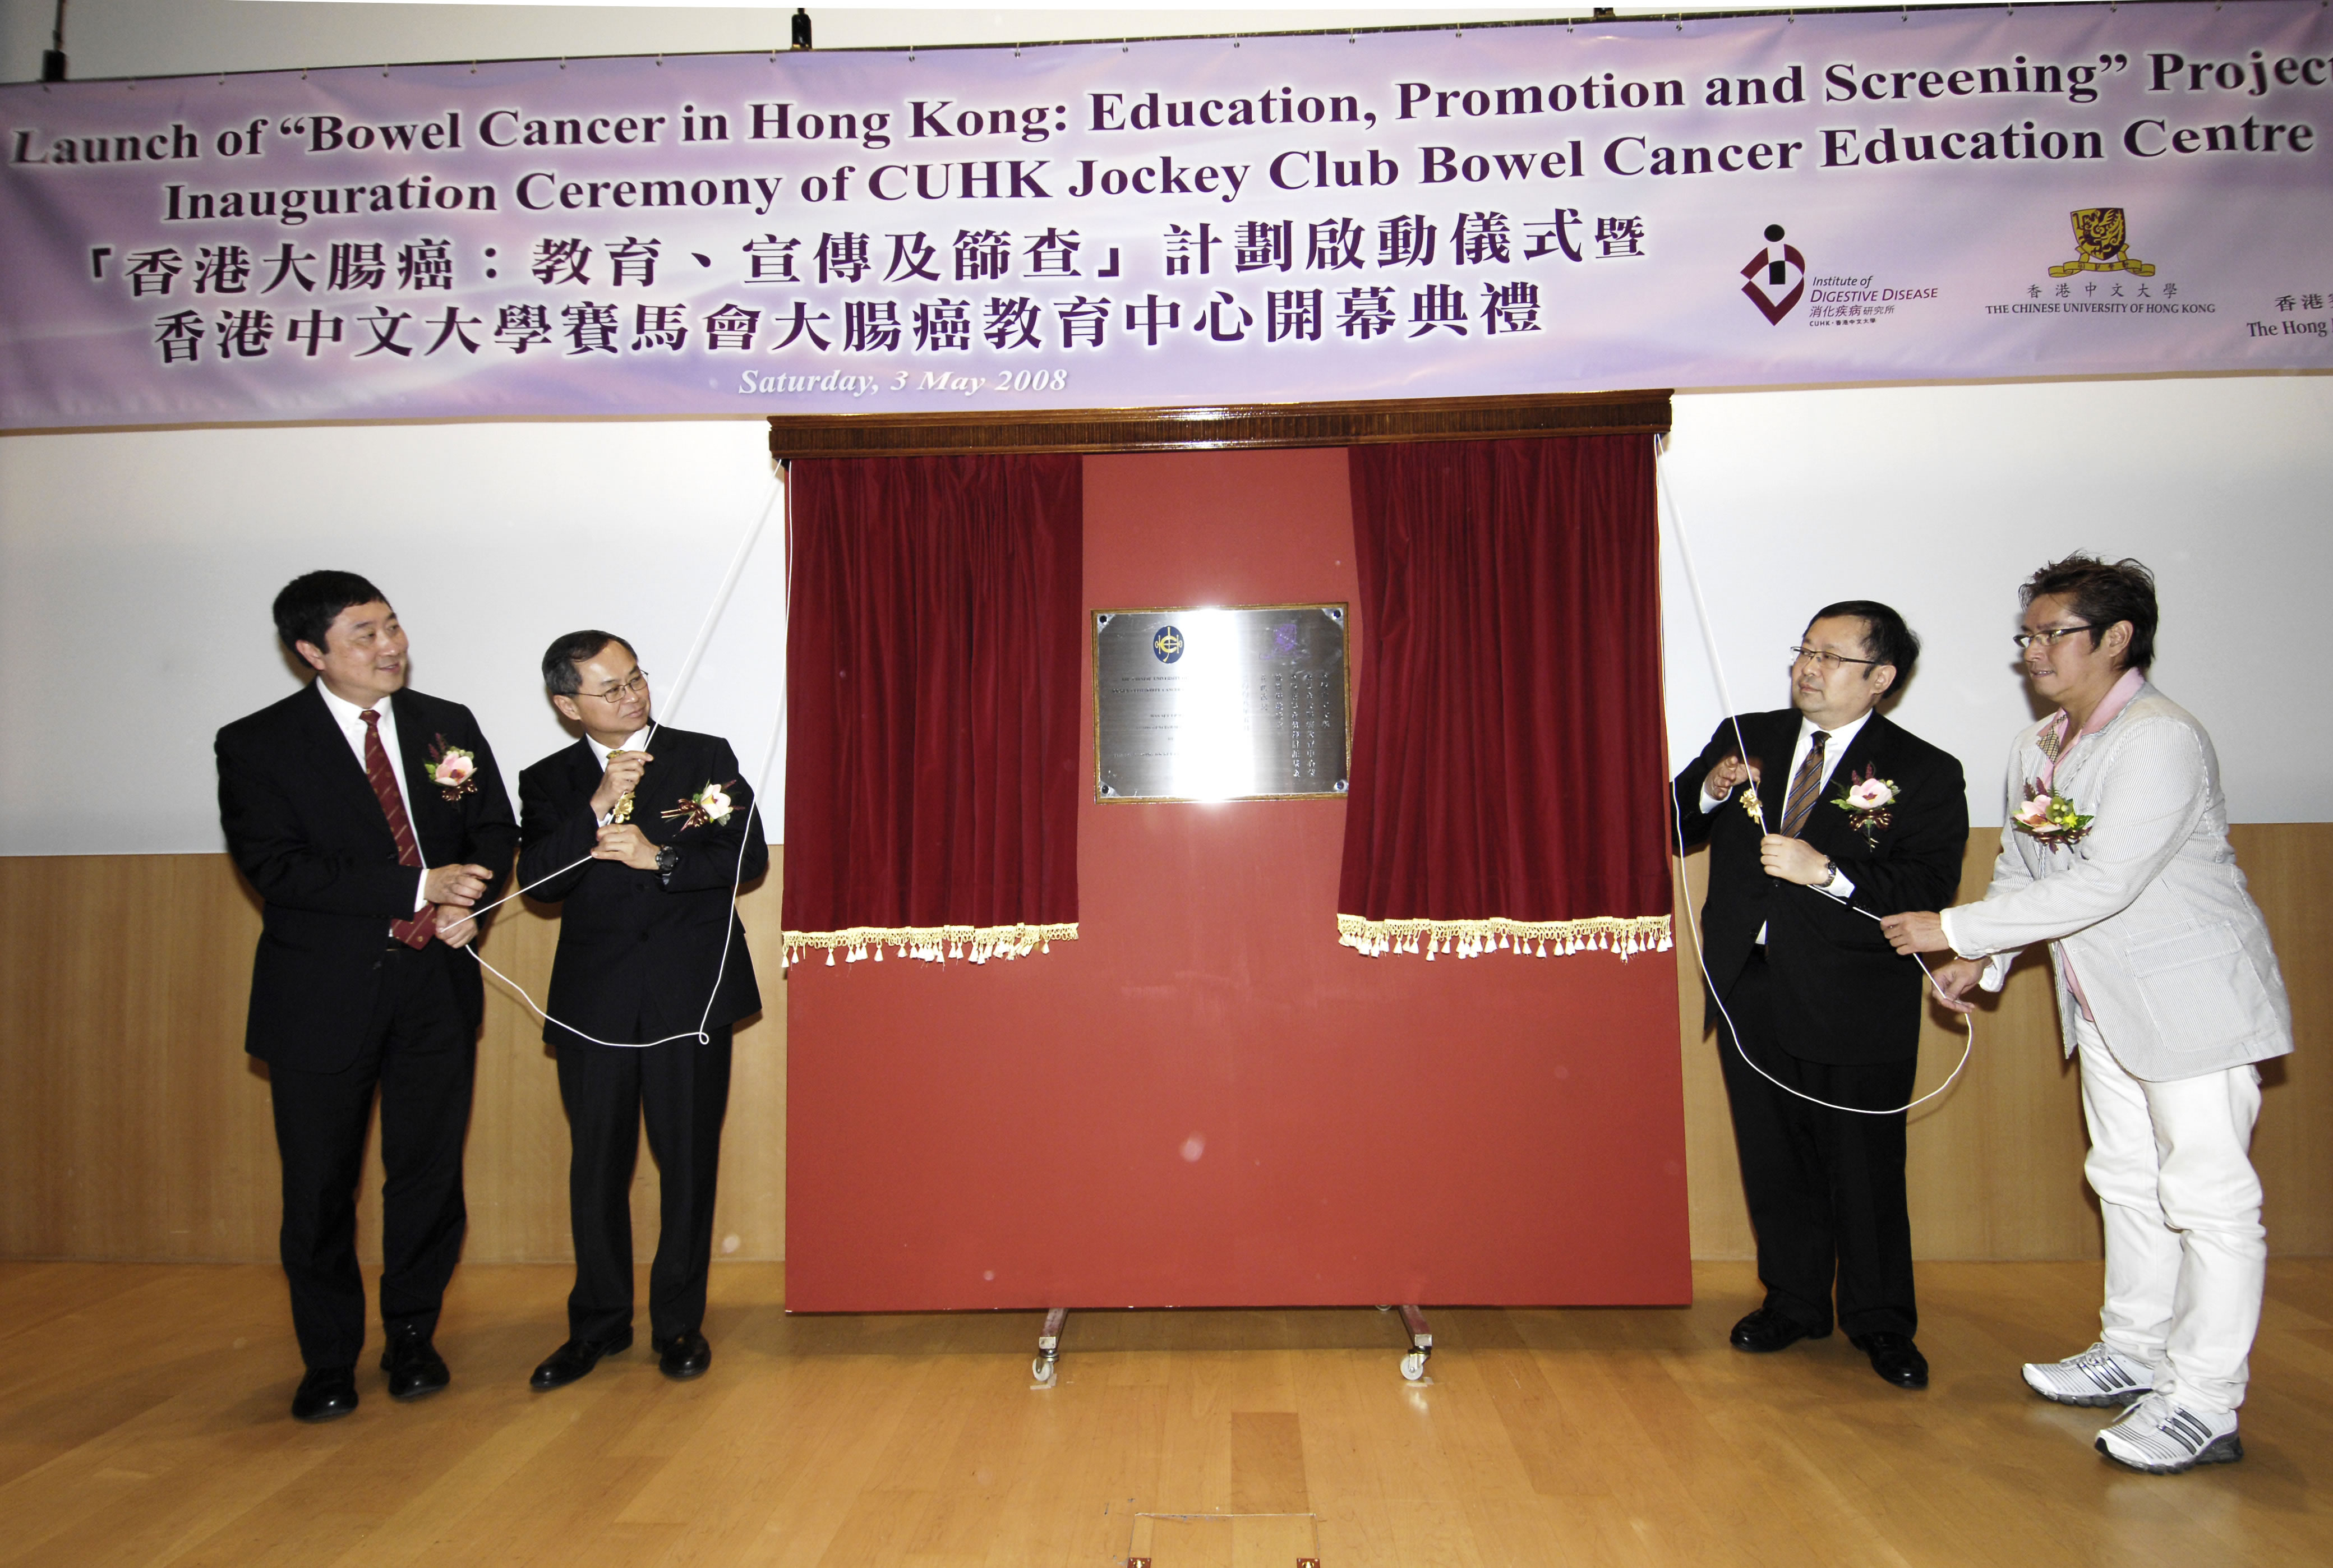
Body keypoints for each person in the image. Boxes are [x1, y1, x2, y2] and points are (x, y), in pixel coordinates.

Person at [1882, 555, 2291, 1474]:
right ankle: (2137, 1349)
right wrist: (1981, 956)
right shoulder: (2040, 748)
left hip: (2194, 1001)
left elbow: (2110, 881)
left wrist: (1949, 925)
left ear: (2115, 638)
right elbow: (2029, 874)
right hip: (2099, 999)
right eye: (2026, 635)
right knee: (2124, 1178)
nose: (2033, 652)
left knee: (2210, 1200)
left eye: (2051, 633)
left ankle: (2206, 1399)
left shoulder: (2160, 738)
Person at [216, 571, 517, 1423]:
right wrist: (421, 884)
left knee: (426, 1175)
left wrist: (470, 901)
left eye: (392, 626)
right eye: (364, 635)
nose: (391, 647)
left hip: (435, 988)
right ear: (311, 652)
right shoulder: (258, 744)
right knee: (319, 1187)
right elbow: (277, 868)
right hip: (322, 996)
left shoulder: (443, 725)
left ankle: (413, 1336)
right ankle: (328, 1358)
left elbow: (493, 827)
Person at [1676, 601, 1968, 1390]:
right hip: (1751, 984)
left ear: (1881, 678)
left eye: (1833, 658)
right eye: (1805, 651)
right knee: (1773, 1155)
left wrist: (1830, 874)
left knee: (1863, 1164)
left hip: (1853, 995)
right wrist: (1708, 787)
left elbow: (1928, 888)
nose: (1809, 667)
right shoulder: (1749, 736)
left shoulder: (1926, 770)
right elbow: (1668, 823)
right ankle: (1794, 1301)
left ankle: (1880, 1322)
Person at [517, 631, 768, 1389]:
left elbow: (748, 860)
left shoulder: (703, 756)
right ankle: (597, 1324)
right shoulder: (551, 779)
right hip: (595, 1001)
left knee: (687, 1159)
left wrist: (657, 857)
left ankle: (678, 1323)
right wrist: (594, 806)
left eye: (636, 680)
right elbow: (537, 886)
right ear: (568, 705)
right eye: (611, 688)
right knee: (596, 1166)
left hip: (689, 994)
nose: (632, 697)